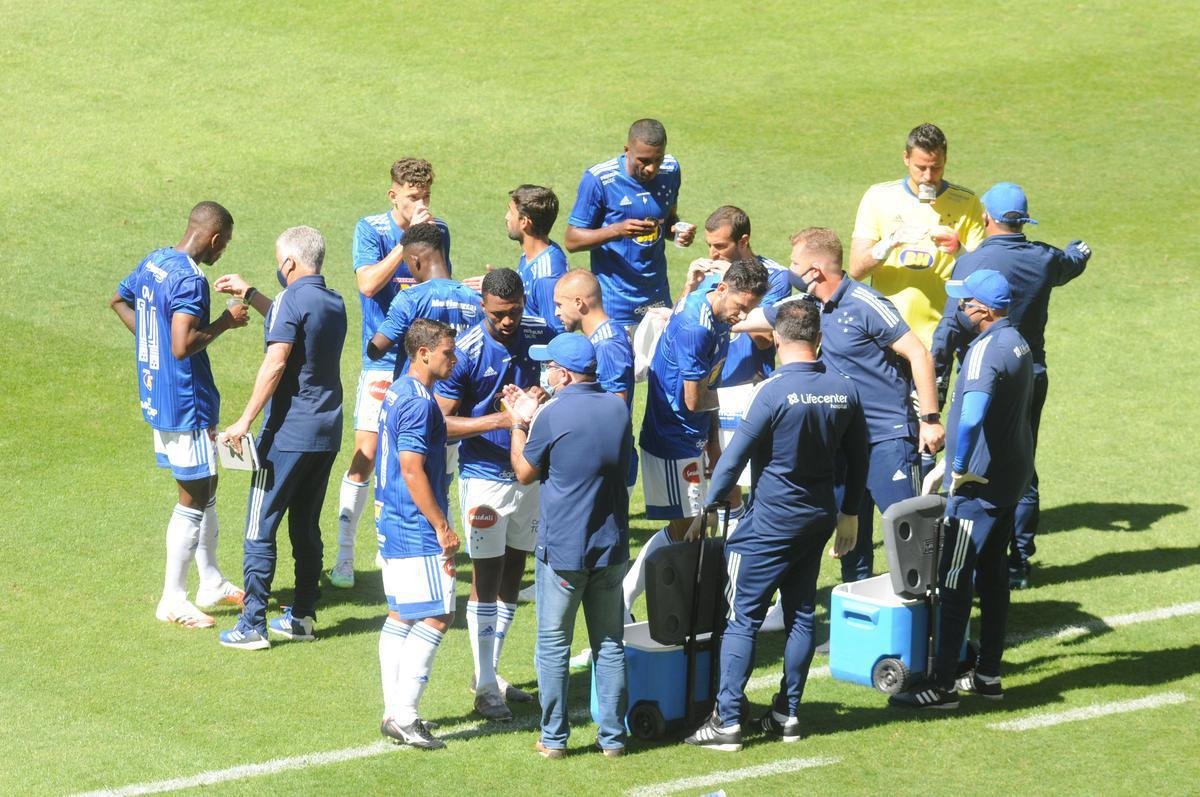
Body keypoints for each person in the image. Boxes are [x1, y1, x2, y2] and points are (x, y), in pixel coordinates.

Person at [685, 299, 868, 752]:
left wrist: (706, 507)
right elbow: (860, 458)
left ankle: (727, 722)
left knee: (741, 617)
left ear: (778, 339)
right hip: (818, 518)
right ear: (818, 339)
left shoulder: (771, 391)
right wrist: (850, 513)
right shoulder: (845, 388)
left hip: (769, 523)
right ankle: (788, 713)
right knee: (801, 613)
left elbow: (733, 459)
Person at [739, 228, 944, 583]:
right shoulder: (808, 309)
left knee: (908, 531)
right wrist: (706, 311)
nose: (790, 271)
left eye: (795, 264)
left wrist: (929, 419)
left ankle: (928, 623)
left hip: (887, 438)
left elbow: (918, 354)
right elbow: (751, 318)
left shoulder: (866, 304)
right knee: (851, 538)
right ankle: (859, 627)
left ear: (815, 270)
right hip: (842, 445)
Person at [931, 183, 1091, 588]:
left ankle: (973, 556)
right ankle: (1018, 561)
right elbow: (1071, 261)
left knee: (975, 465)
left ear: (986, 217)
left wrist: (936, 388)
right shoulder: (1043, 259)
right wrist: (1080, 249)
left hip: (981, 375)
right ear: (1023, 220)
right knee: (1022, 462)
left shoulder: (972, 264)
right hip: (1030, 374)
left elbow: (949, 329)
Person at [889, 269, 1033, 710]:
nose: (960, 308)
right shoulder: (1017, 342)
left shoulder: (985, 352)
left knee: (953, 582)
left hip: (978, 486)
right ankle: (987, 674)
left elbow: (970, 417)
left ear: (984, 310)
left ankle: (943, 684)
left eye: (966, 302)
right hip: (1009, 480)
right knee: (992, 578)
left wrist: (955, 470)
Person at [108, 201, 248, 629]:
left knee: (207, 485)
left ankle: (210, 580)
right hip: (186, 403)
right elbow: (183, 345)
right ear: (214, 238)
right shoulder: (190, 278)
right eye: (223, 245)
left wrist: (148, 341)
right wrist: (228, 320)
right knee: (192, 499)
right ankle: (173, 598)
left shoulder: (155, 262)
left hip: (158, 394)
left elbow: (117, 300)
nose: (221, 253)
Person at [214, 226, 347, 650]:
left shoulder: (292, 300)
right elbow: (291, 318)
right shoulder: (333, 301)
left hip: (288, 432)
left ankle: (252, 624)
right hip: (327, 432)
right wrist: (251, 292)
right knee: (306, 526)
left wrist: (243, 421)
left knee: (260, 525)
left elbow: (276, 361)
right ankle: (303, 616)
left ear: (288, 263)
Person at [503, 334, 633, 759]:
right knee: (609, 643)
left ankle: (555, 738)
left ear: (563, 373)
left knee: (554, 646)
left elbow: (523, 472)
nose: (545, 372)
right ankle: (613, 738)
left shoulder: (553, 414)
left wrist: (519, 422)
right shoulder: (618, 406)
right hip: (610, 547)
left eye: (549, 366)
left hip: (563, 552)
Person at [434, 268, 554, 719]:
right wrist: (502, 421)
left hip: (530, 474)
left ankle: (490, 671)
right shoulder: (465, 352)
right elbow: (440, 424)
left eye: (515, 312)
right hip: (484, 475)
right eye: (499, 315)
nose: (508, 322)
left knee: (513, 573)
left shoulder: (542, 331)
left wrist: (548, 392)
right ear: (483, 305)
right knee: (485, 578)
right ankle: (485, 687)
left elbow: (569, 374)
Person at [624, 260, 769, 621]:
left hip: (695, 436)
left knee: (704, 524)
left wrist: (715, 447)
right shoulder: (696, 327)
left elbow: (708, 388)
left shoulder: (718, 316)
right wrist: (748, 405)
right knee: (687, 530)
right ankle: (625, 599)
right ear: (722, 289)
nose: (743, 316)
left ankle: (702, 605)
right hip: (673, 440)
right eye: (740, 307)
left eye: (750, 309)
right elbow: (693, 399)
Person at [334, 158, 450, 590]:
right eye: (412, 196)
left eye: (425, 197)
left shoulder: (441, 231)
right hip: (382, 362)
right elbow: (367, 285)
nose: (420, 203)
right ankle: (344, 555)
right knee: (366, 453)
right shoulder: (371, 229)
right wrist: (409, 242)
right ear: (393, 195)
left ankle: (392, 548)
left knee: (419, 454)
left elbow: (440, 284)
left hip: (423, 364)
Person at [375, 319, 461, 750]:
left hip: (393, 520)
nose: (454, 358)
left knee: (401, 614)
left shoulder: (399, 391)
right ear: (423, 352)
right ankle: (405, 715)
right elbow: (411, 468)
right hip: (415, 526)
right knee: (437, 613)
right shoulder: (419, 404)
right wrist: (441, 526)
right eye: (448, 351)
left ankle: (393, 710)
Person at [848, 123, 986, 348]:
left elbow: (981, 276)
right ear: (906, 158)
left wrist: (958, 250)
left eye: (936, 167)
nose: (928, 177)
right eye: (920, 167)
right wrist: (888, 243)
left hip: (939, 335)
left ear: (945, 161)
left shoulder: (967, 202)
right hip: (886, 332)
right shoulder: (878, 197)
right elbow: (856, 269)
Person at [565, 118, 695, 331]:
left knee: (658, 364)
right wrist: (616, 230)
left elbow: (668, 220)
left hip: (657, 298)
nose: (652, 168)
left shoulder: (670, 170)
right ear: (627, 150)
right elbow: (572, 240)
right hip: (615, 304)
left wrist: (677, 231)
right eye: (643, 160)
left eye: (658, 159)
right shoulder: (600, 179)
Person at [366, 222, 482, 376]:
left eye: (407, 263)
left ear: (415, 260)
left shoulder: (410, 299)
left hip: (418, 395)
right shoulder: (476, 298)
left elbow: (377, 350)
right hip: (460, 394)